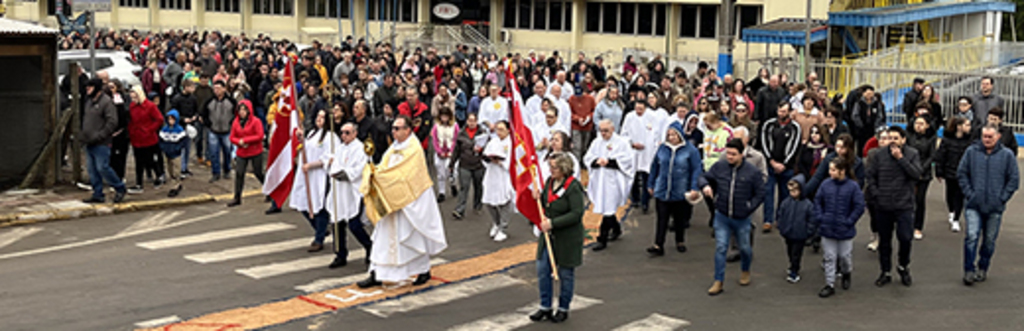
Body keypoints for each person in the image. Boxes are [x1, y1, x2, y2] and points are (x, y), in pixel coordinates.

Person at [357, 115, 448, 288]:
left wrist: (388, 181)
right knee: (382, 238)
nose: (394, 132)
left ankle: (423, 270)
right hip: (391, 199)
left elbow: (407, 174)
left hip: (410, 201)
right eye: (393, 128)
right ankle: (377, 273)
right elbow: (385, 167)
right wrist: (374, 172)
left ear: (408, 130)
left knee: (411, 236)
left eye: (398, 129)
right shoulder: (393, 148)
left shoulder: (414, 148)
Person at [700, 139, 765, 296]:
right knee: (721, 247)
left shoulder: (752, 172)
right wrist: (705, 186)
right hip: (722, 215)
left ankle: (745, 269)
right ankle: (718, 280)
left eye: (733, 154)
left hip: (741, 218)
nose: (729, 157)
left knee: (744, 248)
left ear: (742, 154)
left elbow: (761, 193)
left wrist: (749, 207)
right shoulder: (720, 167)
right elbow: (704, 177)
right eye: (727, 153)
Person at [957, 123, 1020, 285]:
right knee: (971, 236)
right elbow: (962, 173)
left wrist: (1002, 198)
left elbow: (1014, 179)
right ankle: (969, 270)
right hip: (973, 205)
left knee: (989, 240)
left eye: (990, 137)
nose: (987, 139)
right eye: (984, 136)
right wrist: (970, 194)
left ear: (998, 136)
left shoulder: (1007, 155)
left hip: (995, 207)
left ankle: (983, 267)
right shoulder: (971, 152)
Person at [529, 153, 585, 324]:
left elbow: (576, 213)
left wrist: (554, 222)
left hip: (567, 237)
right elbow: (546, 201)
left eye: (554, 167)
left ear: (564, 169)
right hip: (548, 236)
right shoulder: (550, 182)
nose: (550, 170)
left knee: (566, 273)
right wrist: (538, 196)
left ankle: (563, 308)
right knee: (543, 270)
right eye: (550, 167)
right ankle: (545, 305)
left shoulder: (573, 187)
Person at [866, 126, 922, 287]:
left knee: (905, 238)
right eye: (890, 138)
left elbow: (916, 174)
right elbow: (871, 176)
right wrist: (877, 194)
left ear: (903, 140)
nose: (892, 141)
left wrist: (901, 159)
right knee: (885, 241)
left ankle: (903, 266)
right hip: (884, 205)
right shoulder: (879, 155)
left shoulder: (912, 154)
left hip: (904, 205)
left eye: (896, 138)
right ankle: (885, 271)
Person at [646, 121, 702, 255]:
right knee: (661, 219)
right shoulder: (662, 149)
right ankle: (658, 245)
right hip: (662, 189)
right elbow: (655, 167)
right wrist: (651, 183)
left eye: (674, 135)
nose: (671, 138)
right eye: (669, 135)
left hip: (680, 190)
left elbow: (696, 169)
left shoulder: (690, 150)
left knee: (679, 219)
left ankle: (680, 240)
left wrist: (694, 187)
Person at [814, 158, 866, 298]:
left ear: (842, 171)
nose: (830, 172)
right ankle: (829, 284)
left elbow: (859, 206)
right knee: (829, 257)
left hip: (844, 228)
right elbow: (818, 201)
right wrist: (821, 217)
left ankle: (846, 272)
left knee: (844, 256)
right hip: (828, 227)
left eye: (833, 170)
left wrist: (849, 221)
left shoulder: (853, 187)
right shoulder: (825, 185)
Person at [326, 122, 374, 268]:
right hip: (340, 190)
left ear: (355, 133)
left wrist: (347, 174)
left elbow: (361, 168)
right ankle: (340, 254)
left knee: (354, 224)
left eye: (347, 133)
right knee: (337, 223)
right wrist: (335, 171)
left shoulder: (360, 149)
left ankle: (369, 246)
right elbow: (334, 165)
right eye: (342, 133)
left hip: (353, 190)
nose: (343, 136)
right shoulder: (340, 149)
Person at [288, 110, 335, 253]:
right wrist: (302, 139)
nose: (319, 119)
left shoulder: (330, 137)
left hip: (320, 175)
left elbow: (329, 157)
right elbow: (307, 149)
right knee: (303, 204)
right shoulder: (311, 134)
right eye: (318, 116)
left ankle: (318, 239)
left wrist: (312, 165)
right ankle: (320, 229)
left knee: (319, 206)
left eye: (322, 117)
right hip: (307, 174)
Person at [585, 119, 635, 252]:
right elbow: (588, 157)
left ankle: (602, 239)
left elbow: (628, 160)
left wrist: (610, 162)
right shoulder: (597, 142)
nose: (603, 133)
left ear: (612, 129)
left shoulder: (621, 142)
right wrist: (596, 161)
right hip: (600, 180)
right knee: (607, 207)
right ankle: (616, 228)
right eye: (601, 130)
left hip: (614, 180)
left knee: (608, 208)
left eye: (606, 131)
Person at [81, 78, 128, 204]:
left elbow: (112, 122)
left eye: (90, 87)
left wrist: (101, 135)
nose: (87, 90)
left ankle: (119, 187)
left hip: (101, 142)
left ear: (96, 88)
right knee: (92, 170)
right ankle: (98, 193)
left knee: (103, 167)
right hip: (89, 141)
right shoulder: (89, 101)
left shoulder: (106, 102)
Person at [760, 102, 801, 232]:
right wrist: (771, 161)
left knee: (785, 194)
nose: (781, 114)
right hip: (771, 165)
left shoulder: (795, 127)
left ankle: (781, 219)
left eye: (784, 111)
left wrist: (785, 163)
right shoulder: (769, 125)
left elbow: (794, 146)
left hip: (786, 167)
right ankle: (767, 220)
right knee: (768, 193)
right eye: (779, 111)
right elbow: (764, 143)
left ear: (789, 112)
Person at [621, 100, 662, 214]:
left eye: (641, 109)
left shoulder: (652, 117)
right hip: (633, 151)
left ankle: (645, 202)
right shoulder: (629, 117)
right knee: (633, 176)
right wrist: (632, 143)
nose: (638, 111)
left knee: (646, 177)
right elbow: (624, 134)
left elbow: (656, 134)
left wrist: (653, 149)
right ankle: (635, 199)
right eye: (637, 109)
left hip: (647, 152)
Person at [935, 117, 972, 233]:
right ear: (959, 126)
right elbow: (941, 156)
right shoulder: (947, 140)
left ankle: (956, 218)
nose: (969, 128)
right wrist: (939, 171)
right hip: (949, 171)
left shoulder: (970, 141)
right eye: (966, 125)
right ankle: (951, 211)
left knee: (960, 196)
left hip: (964, 172)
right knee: (950, 193)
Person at [225, 101, 265, 207]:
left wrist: (246, 140)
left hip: (255, 150)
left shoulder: (256, 121)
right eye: (240, 110)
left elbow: (260, 135)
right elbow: (232, 137)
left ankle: (269, 190)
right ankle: (237, 197)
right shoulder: (236, 122)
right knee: (239, 173)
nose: (242, 112)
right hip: (242, 151)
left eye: (244, 110)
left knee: (258, 173)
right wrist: (239, 142)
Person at [127, 86, 166, 194]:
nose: (133, 100)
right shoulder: (132, 106)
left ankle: (159, 175)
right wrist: (131, 131)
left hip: (148, 138)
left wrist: (149, 130)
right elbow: (131, 121)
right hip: (136, 138)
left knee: (149, 160)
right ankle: (139, 184)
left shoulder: (150, 106)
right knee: (138, 162)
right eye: (132, 98)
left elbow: (159, 119)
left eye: (135, 97)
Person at [481, 121, 515, 242]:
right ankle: (496, 223)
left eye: (501, 129)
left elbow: (511, 160)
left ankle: (503, 227)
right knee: (489, 201)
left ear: (508, 130)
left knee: (504, 201)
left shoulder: (511, 143)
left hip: (503, 174)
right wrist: (488, 159)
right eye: (497, 129)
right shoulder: (493, 141)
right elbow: (485, 155)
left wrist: (500, 162)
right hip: (491, 173)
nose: (498, 132)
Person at [451, 113, 489, 219]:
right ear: (467, 121)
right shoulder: (461, 133)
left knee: (478, 186)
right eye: (470, 121)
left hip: (478, 164)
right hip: (464, 164)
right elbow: (456, 150)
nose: (471, 123)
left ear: (477, 122)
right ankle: (460, 209)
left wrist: (482, 150)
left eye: (474, 121)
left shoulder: (483, 133)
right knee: (464, 187)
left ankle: (477, 205)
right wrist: (452, 164)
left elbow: (489, 148)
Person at [776, 174, 813, 284]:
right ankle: (793, 265)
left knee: (796, 253)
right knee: (790, 251)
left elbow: (812, 220)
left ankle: (794, 270)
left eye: (795, 191)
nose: (793, 193)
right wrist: (781, 227)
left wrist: (808, 232)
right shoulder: (786, 203)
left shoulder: (807, 205)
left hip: (800, 234)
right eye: (791, 191)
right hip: (788, 232)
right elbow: (780, 215)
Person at [906, 116, 937, 240]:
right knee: (908, 199)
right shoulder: (908, 136)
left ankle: (918, 227)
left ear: (927, 125)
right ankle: (907, 223)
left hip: (924, 173)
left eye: (921, 123)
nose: (918, 125)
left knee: (920, 199)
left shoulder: (931, 138)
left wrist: (921, 169)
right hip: (909, 170)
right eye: (916, 123)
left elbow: (932, 155)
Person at [201, 80, 237, 182]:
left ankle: (227, 170)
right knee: (213, 153)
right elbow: (204, 114)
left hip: (227, 131)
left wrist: (231, 124)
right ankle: (215, 173)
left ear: (224, 89)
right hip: (213, 131)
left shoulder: (231, 101)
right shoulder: (209, 101)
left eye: (219, 88)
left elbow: (236, 115)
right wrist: (209, 124)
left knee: (227, 152)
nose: (216, 90)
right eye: (215, 88)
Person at [863, 129, 891, 252]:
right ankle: (875, 237)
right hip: (873, 189)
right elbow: (869, 172)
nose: (883, 141)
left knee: (887, 217)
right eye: (881, 138)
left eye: (886, 138)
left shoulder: (896, 154)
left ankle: (884, 238)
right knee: (874, 216)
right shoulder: (872, 153)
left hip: (890, 190)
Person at [430, 108, 460, 202]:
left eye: (446, 116)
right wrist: (439, 151)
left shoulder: (455, 126)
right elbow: (434, 140)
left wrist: (452, 151)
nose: (444, 118)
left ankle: (453, 184)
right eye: (442, 116)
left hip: (451, 153)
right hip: (440, 153)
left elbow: (456, 139)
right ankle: (441, 192)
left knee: (452, 172)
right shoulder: (436, 126)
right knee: (440, 174)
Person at [170, 79, 198, 177]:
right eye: (191, 87)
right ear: (185, 87)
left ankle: (184, 168)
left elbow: (196, 110)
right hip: (180, 126)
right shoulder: (177, 99)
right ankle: (180, 169)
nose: (193, 89)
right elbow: (173, 113)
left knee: (187, 148)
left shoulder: (193, 98)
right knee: (180, 149)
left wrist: (195, 117)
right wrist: (182, 119)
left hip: (190, 126)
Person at [158, 109, 187, 198]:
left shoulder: (179, 130)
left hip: (176, 153)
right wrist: (163, 148)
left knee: (176, 170)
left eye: (173, 119)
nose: (171, 121)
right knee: (169, 169)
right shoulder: (164, 129)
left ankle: (176, 185)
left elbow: (183, 142)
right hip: (167, 152)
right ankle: (174, 183)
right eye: (169, 119)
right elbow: (161, 140)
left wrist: (177, 149)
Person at [851, 86, 885, 154]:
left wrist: (876, 125)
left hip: (873, 129)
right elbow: (855, 115)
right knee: (861, 147)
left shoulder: (877, 103)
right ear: (864, 94)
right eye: (867, 93)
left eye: (871, 93)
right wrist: (860, 125)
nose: (869, 95)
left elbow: (880, 115)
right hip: (861, 129)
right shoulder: (859, 103)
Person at [569, 86, 596, 160]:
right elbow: (569, 113)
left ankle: (584, 161)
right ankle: (576, 162)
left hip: (587, 126)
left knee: (585, 146)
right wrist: (577, 119)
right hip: (576, 126)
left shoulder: (590, 99)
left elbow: (594, 110)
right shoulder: (571, 99)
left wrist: (589, 117)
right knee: (577, 146)